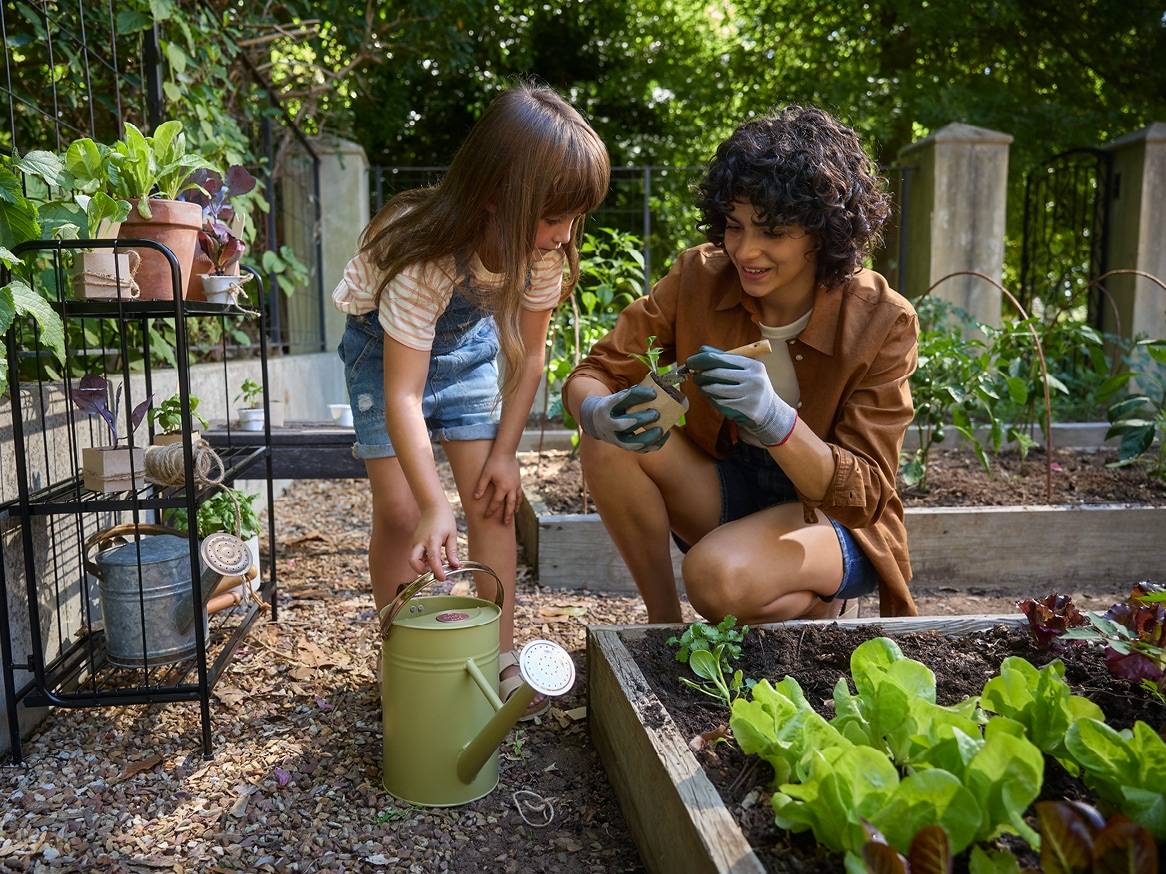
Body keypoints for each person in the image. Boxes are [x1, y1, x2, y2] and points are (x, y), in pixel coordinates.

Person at [563, 105, 918, 625]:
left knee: (715, 579)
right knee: (606, 443)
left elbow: (864, 493)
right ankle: (663, 627)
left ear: (823, 232)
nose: (746, 250)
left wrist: (775, 419)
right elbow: (595, 372)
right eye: (735, 225)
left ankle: (814, 593)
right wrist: (598, 413)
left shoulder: (883, 319)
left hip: (832, 515)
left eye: (772, 232)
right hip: (729, 487)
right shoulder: (699, 277)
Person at [333, 83, 610, 718]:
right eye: (552, 217)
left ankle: (499, 653)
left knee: (494, 501)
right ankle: (403, 651)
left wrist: (506, 453)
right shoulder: (423, 257)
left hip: (467, 352)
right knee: (403, 515)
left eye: (573, 217)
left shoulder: (544, 251)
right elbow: (403, 392)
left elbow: (530, 356)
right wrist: (435, 506)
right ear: (496, 198)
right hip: (384, 358)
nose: (564, 235)